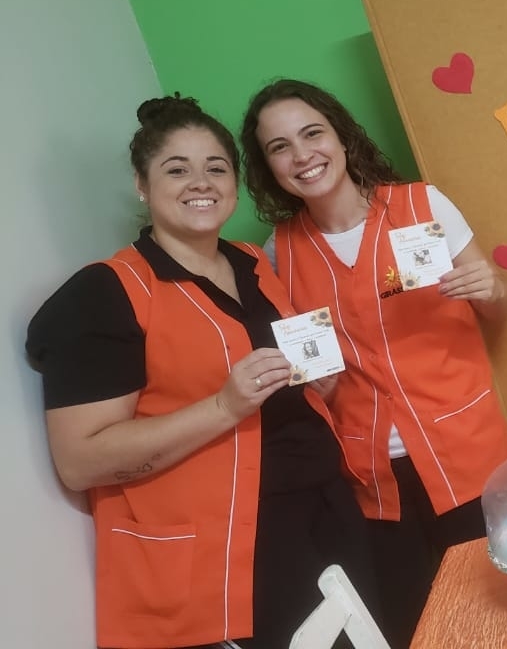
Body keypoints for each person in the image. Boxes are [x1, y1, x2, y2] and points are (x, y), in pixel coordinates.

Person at [26, 95, 377, 649]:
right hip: (233, 551)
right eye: (177, 169)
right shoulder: (105, 293)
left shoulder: (251, 260)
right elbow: (80, 462)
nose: (201, 183)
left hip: (325, 512)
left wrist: (315, 388)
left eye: (216, 168)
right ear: (141, 185)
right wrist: (223, 406)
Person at [240, 79, 507, 648]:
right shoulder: (278, 253)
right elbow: (312, 374)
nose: (302, 155)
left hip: (465, 453)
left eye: (313, 133)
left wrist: (493, 289)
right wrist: (315, 383)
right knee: (421, 627)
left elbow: (499, 305)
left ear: (341, 136)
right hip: (371, 479)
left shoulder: (421, 206)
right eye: (280, 147)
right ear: (269, 167)